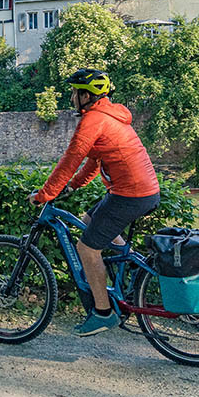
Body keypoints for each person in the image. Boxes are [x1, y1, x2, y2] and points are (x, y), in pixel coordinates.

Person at [29, 68, 160, 337]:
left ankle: (103, 313)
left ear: (86, 95)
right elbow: (93, 160)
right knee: (88, 222)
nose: (72, 98)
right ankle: (130, 271)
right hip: (138, 191)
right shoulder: (110, 116)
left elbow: (71, 158)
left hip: (130, 194)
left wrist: (45, 194)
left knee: (87, 249)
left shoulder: (94, 120)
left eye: (75, 93)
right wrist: (73, 186)